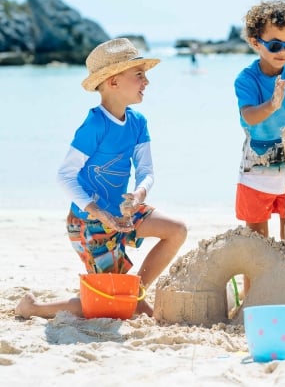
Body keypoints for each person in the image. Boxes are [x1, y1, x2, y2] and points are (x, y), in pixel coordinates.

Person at [15, 38, 187, 319]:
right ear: (113, 82)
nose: (147, 82)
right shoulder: (95, 124)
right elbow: (65, 176)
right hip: (87, 221)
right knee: (109, 307)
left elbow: (146, 172)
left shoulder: (138, 123)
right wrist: (96, 211)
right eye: (139, 75)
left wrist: (139, 195)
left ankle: (135, 292)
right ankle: (32, 309)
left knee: (176, 230)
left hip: (123, 213)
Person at [233, 0, 285, 296]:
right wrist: (273, 104)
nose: (284, 52)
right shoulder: (247, 78)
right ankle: (254, 293)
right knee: (257, 239)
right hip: (257, 168)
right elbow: (249, 116)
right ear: (255, 42)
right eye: (275, 45)